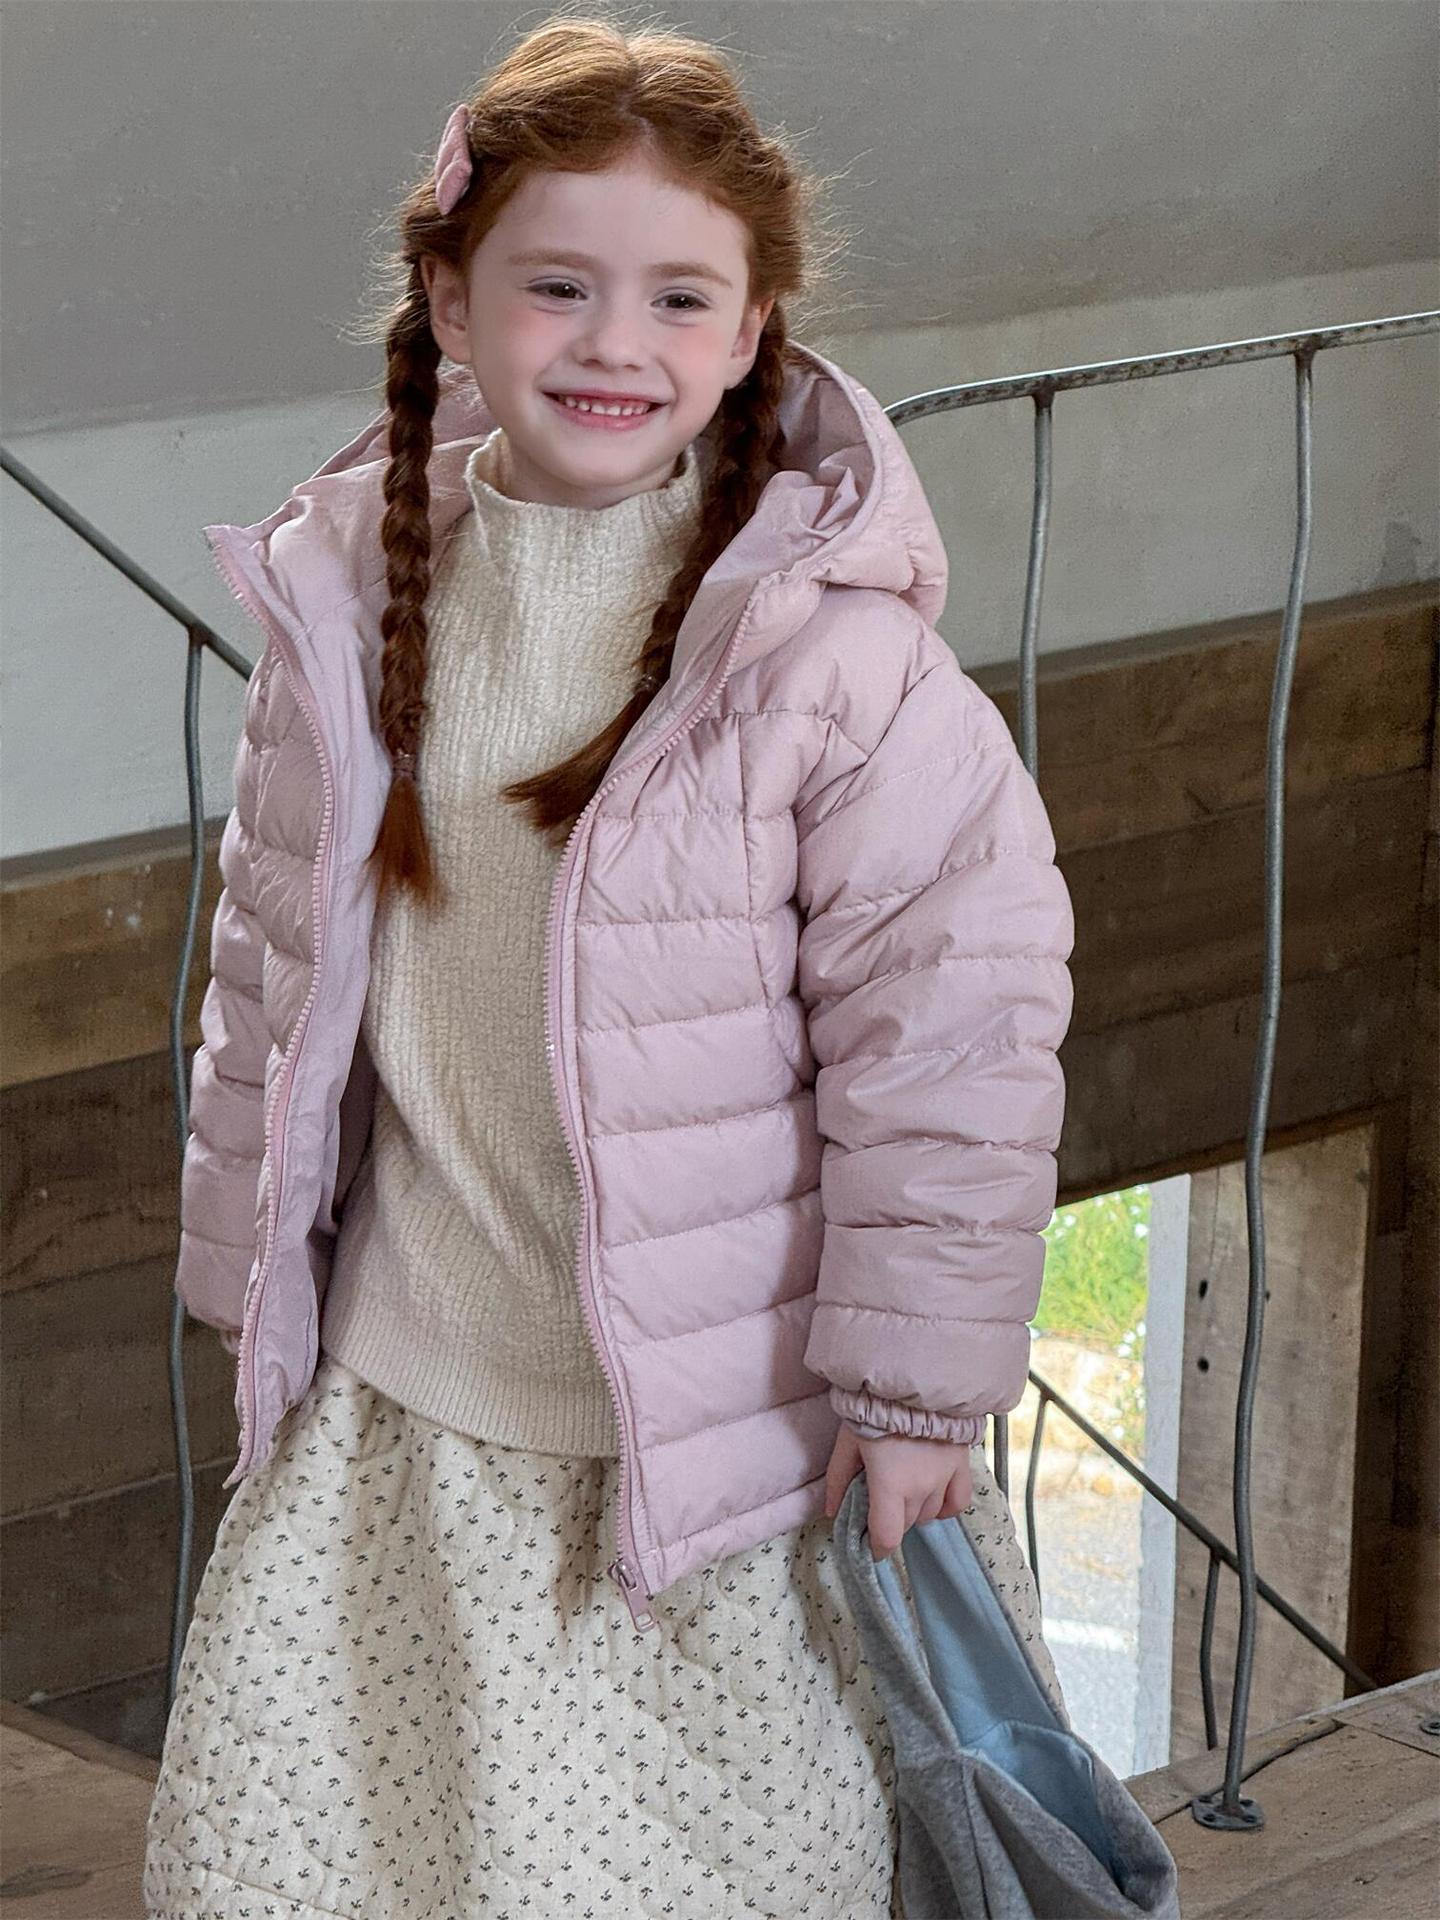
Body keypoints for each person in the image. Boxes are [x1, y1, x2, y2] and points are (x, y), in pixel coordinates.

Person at [144, 14, 1074, 1918]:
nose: (613, 342)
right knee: (318, 1866)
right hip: (405, 1402)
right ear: (451, 300)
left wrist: (915, 1398)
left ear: (751, 335)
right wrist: (253, 1273)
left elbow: (951, 1052)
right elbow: (266, 972)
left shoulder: (837, 669)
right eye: (558, 285)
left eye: (679, 298)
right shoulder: (342, 603)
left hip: (715, 1459)